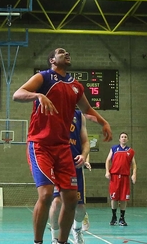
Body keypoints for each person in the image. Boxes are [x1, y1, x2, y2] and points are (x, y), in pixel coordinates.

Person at [13, 48, 112, 244]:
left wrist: (103, 122)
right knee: (46, 194)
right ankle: (38, 241)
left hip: (63, 148)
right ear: (52, 60)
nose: (66, 53)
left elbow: (87, 109)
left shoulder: (75, 85)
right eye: (61, 52)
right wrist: (38, 96)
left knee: (72, 198)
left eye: (67, 52)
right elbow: (18, 94)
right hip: (40, 145)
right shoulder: (44, 77)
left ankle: (62, 241)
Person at [48, 108, 90, 244]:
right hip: (57, 165)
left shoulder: (79, 116)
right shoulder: (52, 110)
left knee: (80, 207)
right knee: (56, 202)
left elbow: (85, 141)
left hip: (74, 165)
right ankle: (55, 238)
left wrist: (84, 156)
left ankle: (77, 229)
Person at [106, 132, 136, 226]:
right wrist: (107, 171)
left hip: (125, 177)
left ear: (127, 139)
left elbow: (134, 164)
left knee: (124, 198)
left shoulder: (130, 151)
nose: (123, 138)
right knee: (114, 198)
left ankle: (122, 218)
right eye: (122, 137)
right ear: (119, 139)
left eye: (125, 137)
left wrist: (134, 174)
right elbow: (108, 160)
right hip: (114, 176)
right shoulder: (114, 148)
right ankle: (114, 216)